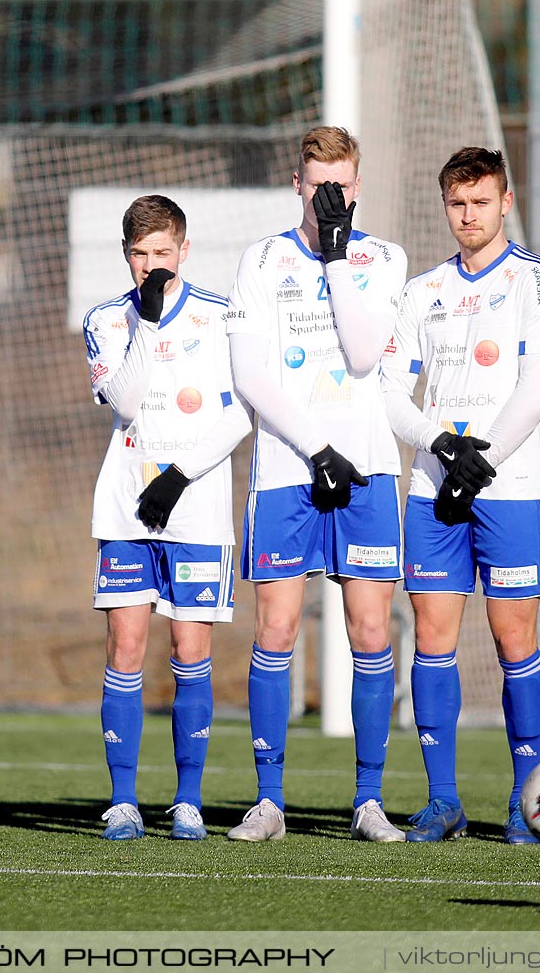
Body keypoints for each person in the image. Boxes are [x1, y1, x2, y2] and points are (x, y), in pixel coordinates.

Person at [223, 127, 411, 842]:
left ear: (356, 187)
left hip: (364, 470)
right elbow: (251, 377)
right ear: (296, 184)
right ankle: (269, 801)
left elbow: (364, 357)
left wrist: (335, 258)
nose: (329, 195)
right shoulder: (262, 261)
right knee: (275, 628)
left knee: (370, 628)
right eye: (317, 184)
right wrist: (313, 447)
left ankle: (367, 802)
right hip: (286, 471)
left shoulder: (383, 259)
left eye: (341, 185)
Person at [379, 147, 540, 843]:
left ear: (506, 201)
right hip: (433, 489)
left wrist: (479, 460)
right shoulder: (422, 291)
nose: (468, 215)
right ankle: (443, 801)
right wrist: (439, 447)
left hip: (509, 489)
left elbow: (539, 386)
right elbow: (391, 393)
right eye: (457, 203)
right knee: (431, 638)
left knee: (514, 637)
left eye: (480, 202)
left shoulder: (539, 280)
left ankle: (528, 802)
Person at [82, 195, 251, 841]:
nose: (151, 266)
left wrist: (180, 477)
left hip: (197, 510)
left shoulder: (219, 315)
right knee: (125, 647)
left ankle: (186, 800)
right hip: (126, 506)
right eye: (139, 255)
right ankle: (123, 801)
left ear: (184, 249)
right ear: (126, 256)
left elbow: (241, 412)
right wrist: (147, 326)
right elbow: (123, 400)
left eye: (162, 253)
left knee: (190, 650)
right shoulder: (107, 320)